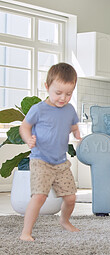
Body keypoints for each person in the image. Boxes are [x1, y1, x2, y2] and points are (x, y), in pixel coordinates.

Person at [19, 63, 81, 241]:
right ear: (47, 87)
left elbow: (73, 124)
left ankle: (65, 220)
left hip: (61, 162)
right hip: (41, 160)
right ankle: (26, 232)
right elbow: (25, 127)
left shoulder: (69, 109)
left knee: (70, 198)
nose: (63, 98)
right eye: (58, 93)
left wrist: (76, 132)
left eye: (68, 94)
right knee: (39, 196)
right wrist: (28, 138)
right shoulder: (38, 109)